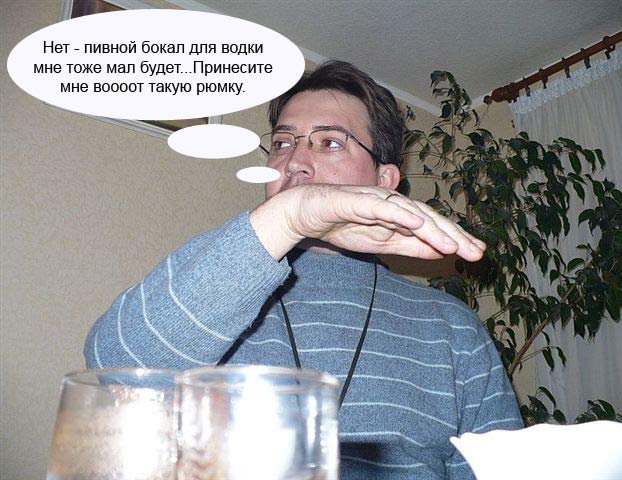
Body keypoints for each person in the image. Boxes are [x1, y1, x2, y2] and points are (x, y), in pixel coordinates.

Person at [86, 60, 523, 479]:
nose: (294, 160)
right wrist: (289, 216)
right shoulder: (212, 293)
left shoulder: (452, 328)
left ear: (384, 180)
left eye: (330, 142)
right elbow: (113, 370)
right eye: (282, 143)